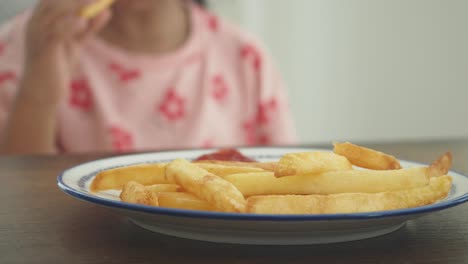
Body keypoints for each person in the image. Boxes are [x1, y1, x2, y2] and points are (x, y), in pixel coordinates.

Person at [0, 0, 296, 154]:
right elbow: (15, 198)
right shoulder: (23, 45)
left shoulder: (245, 58)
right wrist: (37, 93)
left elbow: (285, 183)